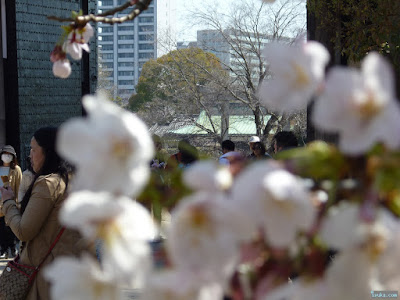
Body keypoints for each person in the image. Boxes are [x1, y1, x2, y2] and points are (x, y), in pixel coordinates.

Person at [0, 127, 88, 300]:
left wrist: (8, 202)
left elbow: (24, 231)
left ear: (48, 151)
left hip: (46, 278)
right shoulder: (75, 181)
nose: (30, 155)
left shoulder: (48, 184)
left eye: (34, 149)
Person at [0, 145, 22, 258]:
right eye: (4, 154)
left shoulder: (16, 169)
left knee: (10, 227)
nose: (6, 156)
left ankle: (13, 249)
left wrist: (19, 202)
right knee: (1, 229)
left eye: (9, 154)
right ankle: (3, 249)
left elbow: (19, 186)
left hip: (10, 202)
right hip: (0, 202)